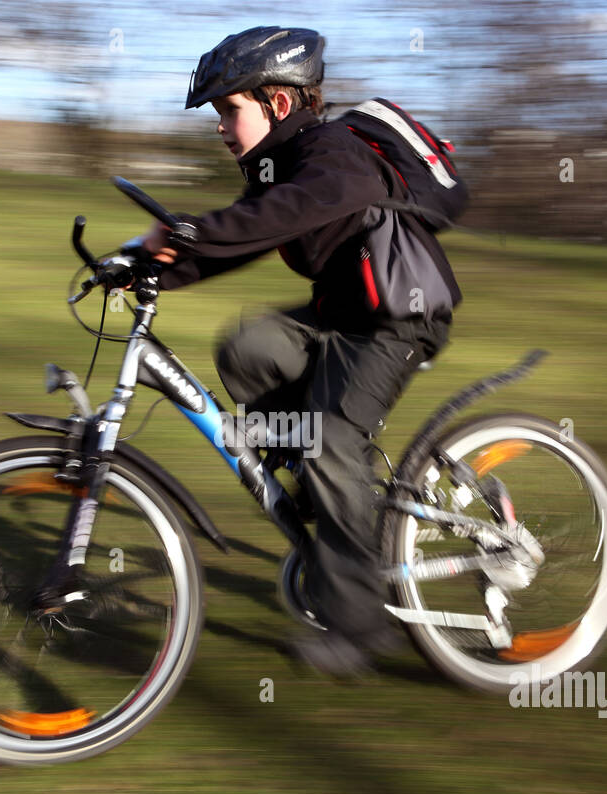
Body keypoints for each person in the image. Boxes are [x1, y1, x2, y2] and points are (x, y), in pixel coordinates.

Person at [140, 25, 462, 678]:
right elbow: (243, 236)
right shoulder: (276, 168)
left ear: (279, 104)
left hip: (397, 322)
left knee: (329, 443)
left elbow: (278, 214)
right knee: (246, 348)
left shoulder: (333, 152)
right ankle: (330, 495)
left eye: (230, 110)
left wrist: (184, 229)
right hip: (337, 321)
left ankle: (359, 624)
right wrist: (144, 271)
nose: (221, 127)